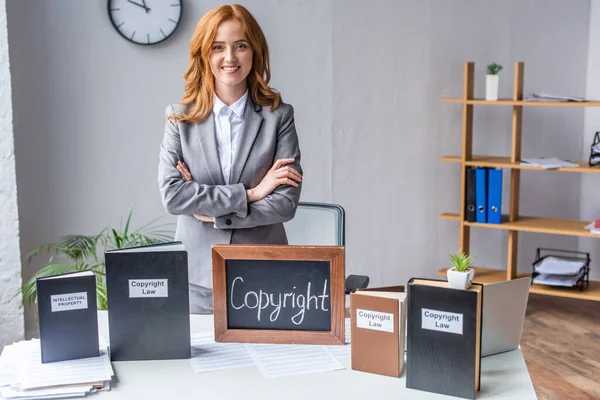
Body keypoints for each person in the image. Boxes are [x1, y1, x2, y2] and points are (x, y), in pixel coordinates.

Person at [157, 4, 303, 314]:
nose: (230, 58)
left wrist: (212, 213)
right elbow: (173, 196)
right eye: (218, 47)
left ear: (255, 51)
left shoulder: (279, 117)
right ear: (204, 54)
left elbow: (284, 203)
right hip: (197, 280)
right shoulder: (179, 118)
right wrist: (251, 193)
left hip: (265, 274)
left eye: (241, 46)